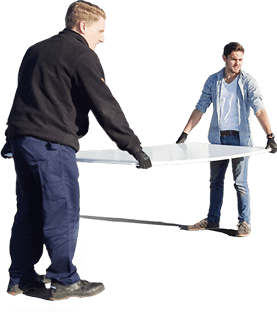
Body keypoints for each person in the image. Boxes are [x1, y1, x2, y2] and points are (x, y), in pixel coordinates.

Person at [3, 1, 151, 301]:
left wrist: (10, 144)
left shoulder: (34, 50)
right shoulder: (81, 54)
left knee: (29, 211)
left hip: (22, 142)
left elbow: (24, 97)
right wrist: (134, 148)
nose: (103, 38)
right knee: (63, 211)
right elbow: (105, 106)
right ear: (83, 26)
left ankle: (19, 278)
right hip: (52, 145)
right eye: (101, 31)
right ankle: (64, 280)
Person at [175, 41, 277, 238]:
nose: (237, 64)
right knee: (215, 182)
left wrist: (269, 135)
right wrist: (185, 133)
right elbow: (200, 107)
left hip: (241, 141)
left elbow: (259, 108)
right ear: (224, 58)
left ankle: (244, 223)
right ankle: (212, 220)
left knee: (240, 183)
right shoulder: (213, 81)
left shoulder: (248, 82)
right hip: (217, 140)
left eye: (240, 60)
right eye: (233, 59)